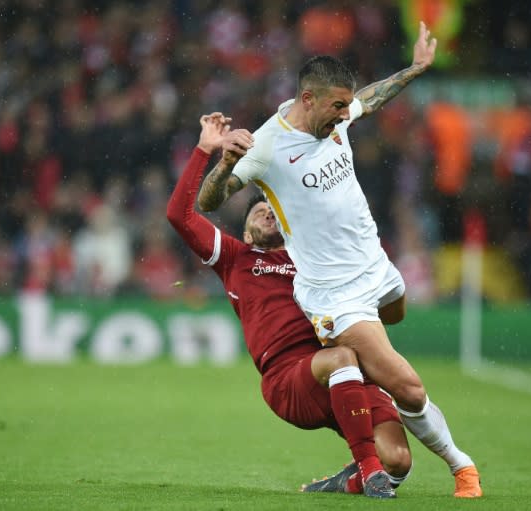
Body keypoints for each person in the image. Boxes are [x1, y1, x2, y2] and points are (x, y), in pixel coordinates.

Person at [197, 22, 482, 498]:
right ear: (307, 99)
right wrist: (224, 162)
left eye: (345, 107)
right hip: (333, 294)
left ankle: (372, 370)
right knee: (409, 388)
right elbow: (209, 202)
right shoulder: (267, 147)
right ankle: (463, 468)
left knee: (397, 313)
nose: (344, 116)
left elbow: (370, 97)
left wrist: (414, 69)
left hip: (375, 265)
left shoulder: (339, 112)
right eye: (336, 107)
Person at [167, 113, 413, 498]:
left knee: (398, 459)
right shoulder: (236, 257)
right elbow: (179, 216)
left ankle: (349, 478)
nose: (267, 208)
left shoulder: (312, 256)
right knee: (343, 357)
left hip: (344, 371)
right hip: (289, 379)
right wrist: (204, 150)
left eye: (272, 207)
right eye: (257, 209)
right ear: (246, 229)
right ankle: (369, 469)